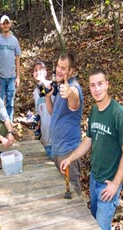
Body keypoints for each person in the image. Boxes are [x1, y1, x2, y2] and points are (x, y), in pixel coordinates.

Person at [60, 68, 123, 230]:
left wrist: (115, 184)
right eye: (93, 85)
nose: (97, 89)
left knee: (101, 226)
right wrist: (70, 158)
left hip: (108, 184)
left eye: (100, 84)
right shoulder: (94, 111)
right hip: (94, 179)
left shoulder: (118, 114)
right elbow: (88, 141)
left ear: (107, 84)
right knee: (92, 222)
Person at [45, 53, 84, 196]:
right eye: (58, 67)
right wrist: (48, 97)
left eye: (63, 68)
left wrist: (69, 93)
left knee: (73, 191)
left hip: (68, 152)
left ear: (71, 71)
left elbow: (75, 102)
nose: (59, 71)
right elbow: (53, 112)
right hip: (57, 149)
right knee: (64, 190)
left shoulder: (73, 87)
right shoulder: (61, 87)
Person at [32, 60, 53, 159]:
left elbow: (54, 111)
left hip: (55, 139)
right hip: (45, 139)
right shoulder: (36, 92)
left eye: (40, 69)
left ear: (45, 72)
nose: (37, 72)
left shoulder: (52, 87)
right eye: (35, 70)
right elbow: (39, 112)